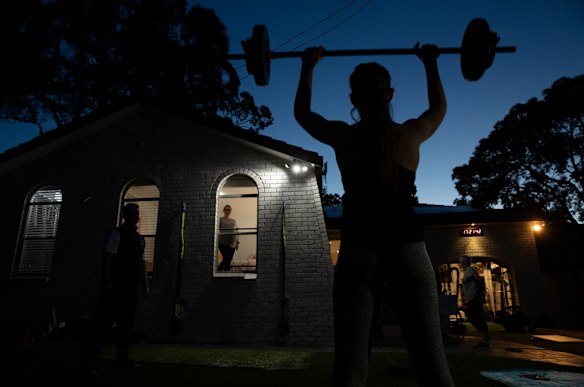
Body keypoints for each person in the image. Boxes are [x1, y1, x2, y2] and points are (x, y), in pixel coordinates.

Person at [294, 44, 454, 387]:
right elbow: (439, 108)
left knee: (350, 368)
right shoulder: (410, 134)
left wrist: (309, 66)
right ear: (391, 94)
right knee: (432, 364)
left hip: (358, 248)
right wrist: (430, 63)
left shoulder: (344, 136)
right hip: (407, 246)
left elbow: (303, 115)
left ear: (353, 98)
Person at [82, 203, 150, 374]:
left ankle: (121, 359)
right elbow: (108, 257)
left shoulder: (139, 239)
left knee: (126, 325)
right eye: (132, 213)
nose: (136, 216)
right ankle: (90, 360)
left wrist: (144, 283)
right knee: (103, 324)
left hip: (130, 287)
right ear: (126, 215)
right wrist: (107, 281)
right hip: (116, 286)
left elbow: (141, 263)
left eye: (137, 213)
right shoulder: (116, 234)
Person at [459, 255, 491, 349]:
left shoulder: (470, 270)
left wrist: (479, 292)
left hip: (475, 298)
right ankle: (485, 338)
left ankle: (486, 339)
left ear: (463, 263)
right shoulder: (467, 271)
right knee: (474, 317)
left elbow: (479, 280)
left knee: (475, 317)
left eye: (460, 262)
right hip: (472, 298)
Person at [218, 204, 239, 271]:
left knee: (229, 260)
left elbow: (236, 231)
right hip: (223, 243)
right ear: (223, 211)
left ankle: (226, 275)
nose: (228, 211)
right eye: (226, 210)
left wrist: (237, 243)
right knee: (226, 258)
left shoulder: (234, 221)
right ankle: (218, 271)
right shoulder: (220, 220)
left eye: (229, 210)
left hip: (232, 244)